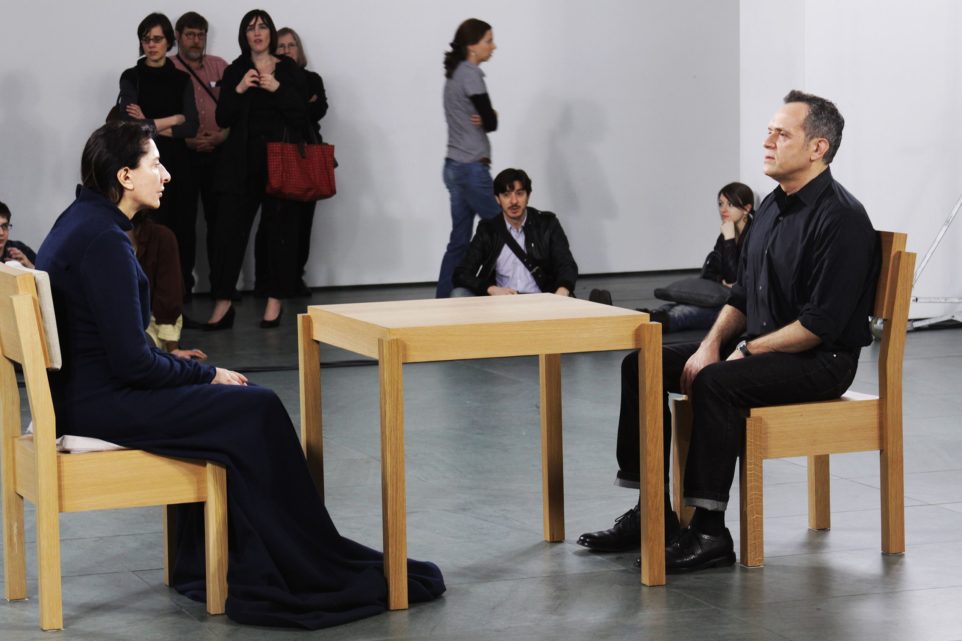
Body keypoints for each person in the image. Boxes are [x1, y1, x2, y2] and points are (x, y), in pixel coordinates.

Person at [35, 120, 444, 629]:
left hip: (82, 396)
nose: (166, 175)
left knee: (241, 403)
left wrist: (193, 371)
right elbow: (133, 363)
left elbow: (121, 350)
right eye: (155, 163)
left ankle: (233, 558)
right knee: (258, 407)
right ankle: (305, 561)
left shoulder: (79, 222)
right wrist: (205, 375)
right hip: (103, 403)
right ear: (124, 175)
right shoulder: (104, 241)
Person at [577, 90, 880, 573]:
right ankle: (652, 511)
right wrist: (711, 344)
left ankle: (709, 532)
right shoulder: (771, 208)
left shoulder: (842, 218)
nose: (767, 141)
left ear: (817, 147)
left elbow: (818, 326)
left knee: (717, 382)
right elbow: (740, 296)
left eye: (781, 134)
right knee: (643, 364)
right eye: (769, 131)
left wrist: (746, 352)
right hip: (766, 348)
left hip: (821, 361)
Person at [206, 9, 310, 329]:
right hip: (241, 164)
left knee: (279, 233)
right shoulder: (236, 69)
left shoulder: (288, 69)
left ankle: (274, 301)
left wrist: (277, 88)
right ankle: (224, 303)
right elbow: (223, 117)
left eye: (262, 27)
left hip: (279, 162)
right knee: (229, 233)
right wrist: (238, 89)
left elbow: (302, 116)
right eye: (251, 28)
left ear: (271, 33)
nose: (257, 33)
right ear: (245, 36)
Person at [118, 13, 199, 294]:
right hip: (142, 166)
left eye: (157, 39)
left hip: (179, 165)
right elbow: (130, 124)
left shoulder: (181, 79)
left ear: (169, 42)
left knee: (182, 230)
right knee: (147, 230)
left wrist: (148, 122)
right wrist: (172, 119)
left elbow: (191, 126)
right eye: (146, 39)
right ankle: (146, 296)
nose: (151, 45)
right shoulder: (132, 76)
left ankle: (180, 298)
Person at [253, 26, 329, 297]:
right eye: (281, 46)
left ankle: (295, 277)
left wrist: (294, 103)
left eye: (291, 45)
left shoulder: (312, 79)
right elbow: (280, 112)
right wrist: (299, 102)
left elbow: (317, 110)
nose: (286, 51)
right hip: (275, 156)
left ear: (299, 50)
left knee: (304, 221)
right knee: (271, 221)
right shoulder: (266, 76)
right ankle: (265, 281)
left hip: (306, 155)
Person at [435, 18, 501, 298]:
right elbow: (491, 122)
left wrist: (487, 116)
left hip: (453, 166)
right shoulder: (471, 74)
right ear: (473, 46)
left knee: (459, 241)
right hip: (471, 168)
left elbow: (484, 118)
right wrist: (491, 115)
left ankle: (442, 302)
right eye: (488, 41)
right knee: (504, 231)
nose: (493, 46)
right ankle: (515, 291)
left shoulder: (454, 74)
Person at [638, 183, 755, 332]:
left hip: (740, 308)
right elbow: (709, 273)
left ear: (747, 208)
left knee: (683, 314)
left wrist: (729, 240)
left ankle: (644, 323)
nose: (723, 209)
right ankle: (635, 319)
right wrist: (721, 280)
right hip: (720, 297)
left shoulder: (752, 235)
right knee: (671, 307)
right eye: (720, 204)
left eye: (730, 204)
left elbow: (734, 279)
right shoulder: (726, 233)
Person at [169, 11, 229, 296]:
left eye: (200, 35)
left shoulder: (220, 67)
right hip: (182, 155)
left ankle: (222, 285)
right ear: (178, 36)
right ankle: (183, 285)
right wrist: (188, 138)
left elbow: (236, 108)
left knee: (221, 223)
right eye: (190, 35)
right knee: (182, 223)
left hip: (219, 153)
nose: (196, 40)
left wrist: (221, 136)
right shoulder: (168, 68)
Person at [451, 168, 577, 296]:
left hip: (541, 300)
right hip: (502, 301)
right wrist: (491, 289)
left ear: (528, 196)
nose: (514, 201)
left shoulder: (547, 224)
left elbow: (567, 265)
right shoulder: (488, 230)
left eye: (519, 193)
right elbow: (461, 274)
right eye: (506, 195)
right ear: (497, 199)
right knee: (459, 293)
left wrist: (562, 292)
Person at [129, 213, 207, 360]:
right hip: (105, 330)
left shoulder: (160, 237)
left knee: (136, 351)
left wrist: (173, 348)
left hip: (145, 330)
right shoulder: (100, 234)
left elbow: (169, 297)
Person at [0, 201, 35, 268]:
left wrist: (29, 266)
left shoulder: (19, 249)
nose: (1, 233)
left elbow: (45, 272)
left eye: (4, 226)